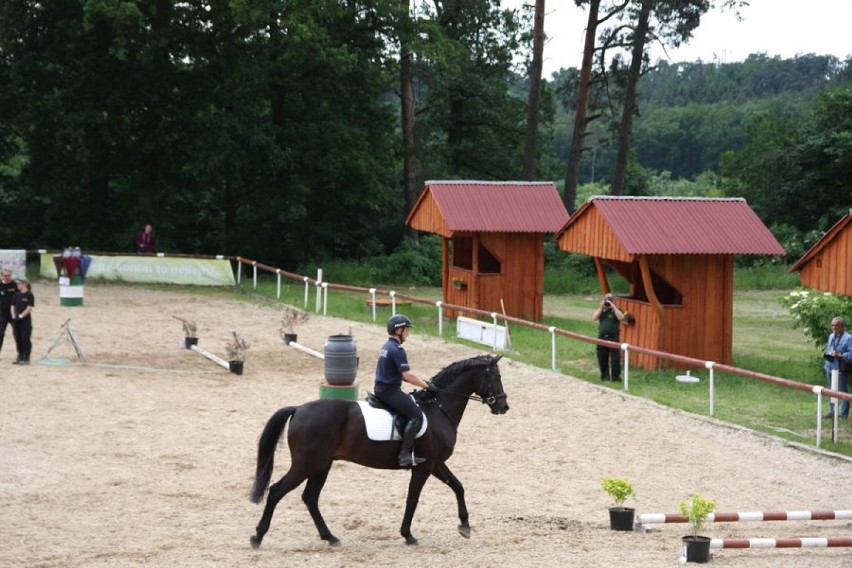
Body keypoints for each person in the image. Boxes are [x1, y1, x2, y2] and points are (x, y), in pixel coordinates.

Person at [374, 314, 438, 467]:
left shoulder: (386, 346)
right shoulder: (397, 350)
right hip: (389, 391)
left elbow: (396, 373)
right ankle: (404, 455)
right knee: (416, 415)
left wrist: (423, 382)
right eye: (406, 329)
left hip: (381, 388)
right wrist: (427, 386)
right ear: (399, 330)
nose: (408, 332)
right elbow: (408, 376)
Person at [592, 292, 624, 382]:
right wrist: (601, 307)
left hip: (613, 338)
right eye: (607, 300)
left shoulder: (617, 310)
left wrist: (613, 307)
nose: (608, 302)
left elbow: (621, 317)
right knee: (602, 358)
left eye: (610, 300)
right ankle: (605, 377)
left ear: (613, 301)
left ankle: (616, 378)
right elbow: (593, 317)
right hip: (602, 338)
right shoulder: (602, 310)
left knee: (615, 360)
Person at [824, 316, 851, 419]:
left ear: (842, 326)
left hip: (841, 368)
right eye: (832, 325)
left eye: (836, 325)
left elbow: (851, 354)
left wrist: (840, 355)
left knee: (843, 391)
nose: (834, 328)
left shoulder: (848, 338)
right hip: (829, 366)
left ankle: (843, 414)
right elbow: (829, 349)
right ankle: (832, 412)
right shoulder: (831, 336)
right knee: (831, 389)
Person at [11, 277, 35, 365]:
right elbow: (12, 306)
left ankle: (26, 357)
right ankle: (19, 355)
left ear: (24, 284)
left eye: (19, 283)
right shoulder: (16, 295)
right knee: (18, 337)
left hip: (25, 320)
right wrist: (14, 316)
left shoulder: (29, 295)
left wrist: (21, 315)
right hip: (16, 319)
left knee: (25, 338)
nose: (17, 285)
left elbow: (29, 307)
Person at [0, 268, 18, 358]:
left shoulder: (15, 285)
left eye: (9, 275)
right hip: (2, 314)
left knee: (17, 333)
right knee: (0, 334)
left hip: (14, 314)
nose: (7, 277)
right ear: (2, 276)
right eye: (5, 276)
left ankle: (20, 354)